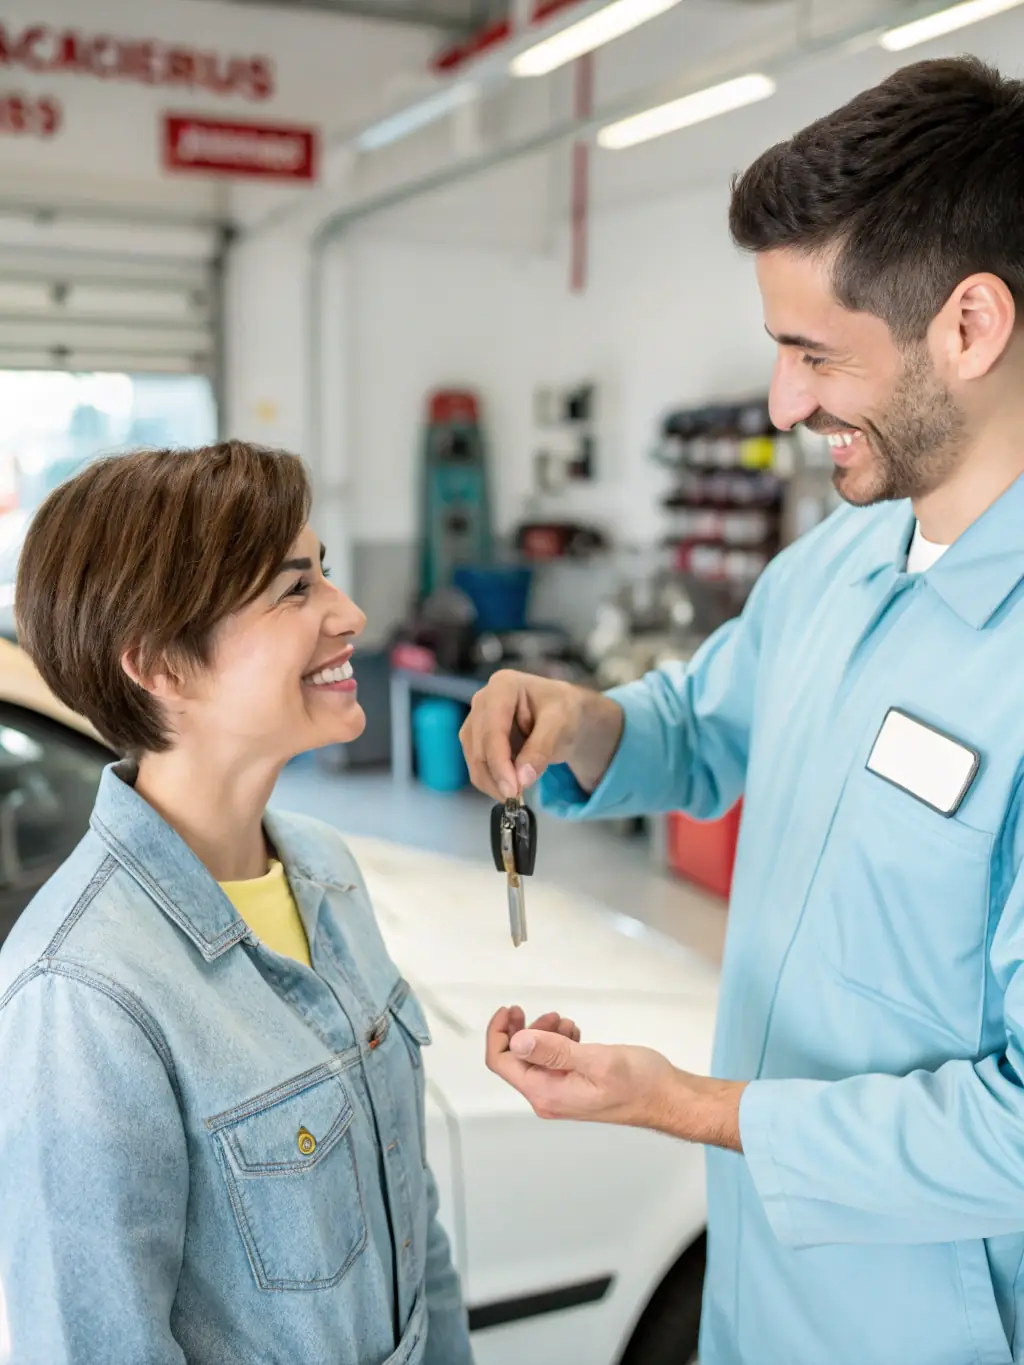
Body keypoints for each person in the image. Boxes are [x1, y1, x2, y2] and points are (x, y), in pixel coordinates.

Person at [461, 57, 1024, 1365]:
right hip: (759, 1296)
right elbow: (708, 726)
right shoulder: (838, 560)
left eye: (812, 352)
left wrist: (701, 1110)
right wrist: (585, 721)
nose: (781, 405)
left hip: (930, 1327)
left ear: (971, 326)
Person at [0, 439, 577, 1364]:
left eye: (329, 576)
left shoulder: (326, 871)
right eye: (294, 589)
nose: (349, 614)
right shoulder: (82, 998)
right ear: (160, 664)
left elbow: (412, 1222)